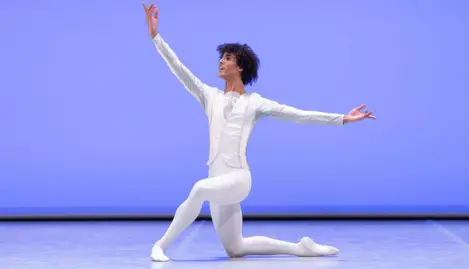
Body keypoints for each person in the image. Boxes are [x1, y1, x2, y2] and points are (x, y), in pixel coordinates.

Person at [142, 3, 376, 262]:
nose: (221, 61)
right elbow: (179, 69)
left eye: (228, 58)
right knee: (236, 248)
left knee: (198, 190)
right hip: (217, 181)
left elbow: (297, 114)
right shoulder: (210, 96)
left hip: (238, 179)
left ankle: (160, 246)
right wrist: (156, 37)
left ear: (240, 66)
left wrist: (342, 118)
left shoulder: (255, 103)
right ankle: (301, 248)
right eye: (222, 57)